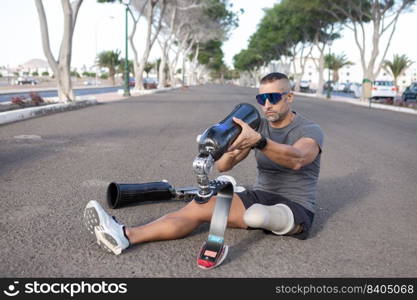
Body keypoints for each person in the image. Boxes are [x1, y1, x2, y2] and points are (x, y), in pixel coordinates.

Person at [84, 72, 324, 256]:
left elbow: (298, 158)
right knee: (200, 205)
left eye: (272, 97)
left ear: (289, 97)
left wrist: (259, 142)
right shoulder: (258, 126)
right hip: (260, 195)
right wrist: (227, 148)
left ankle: (271, 220)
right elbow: (224, 167)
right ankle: (125, 235)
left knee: (258, 217)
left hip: (296, 206)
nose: (267, 105)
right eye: (262, 98)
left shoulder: (309, 129)